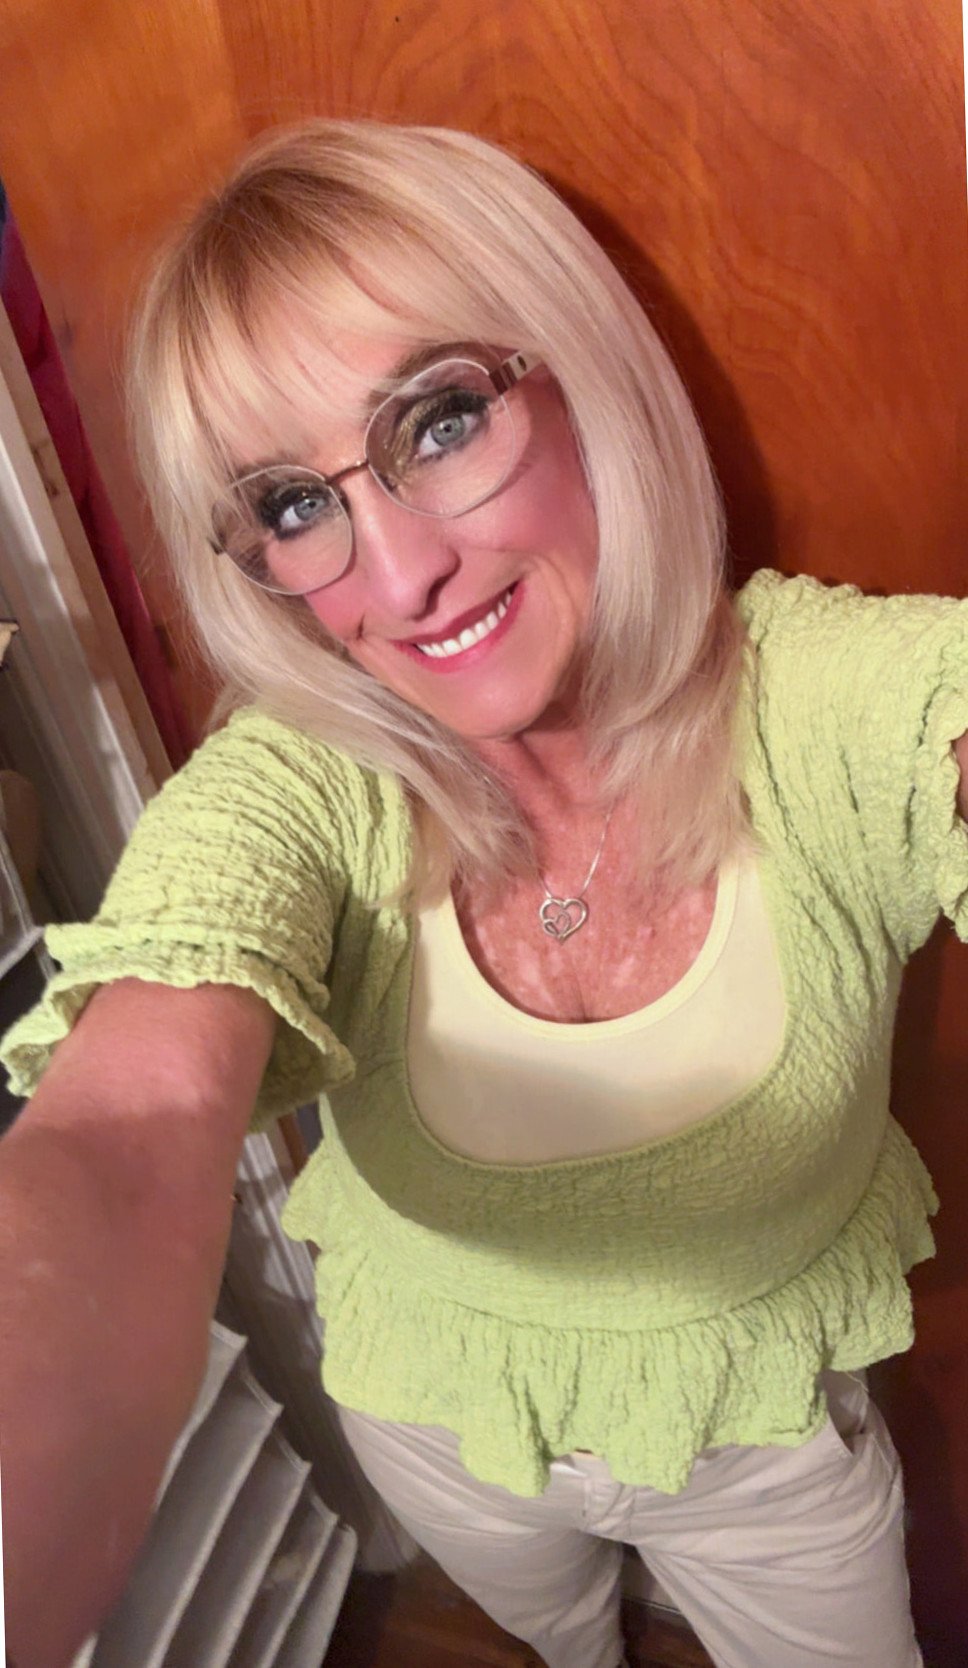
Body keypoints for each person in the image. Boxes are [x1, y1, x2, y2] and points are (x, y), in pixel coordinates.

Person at [2, 119, 966, 1668]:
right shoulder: (307, 781)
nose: (398, 581)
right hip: (438, 1421)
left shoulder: (830, 710)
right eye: (293, 506)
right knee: (560, 1646)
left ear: (581, 367)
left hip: (762, 1452)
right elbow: (126, 1126)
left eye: (440, 421)